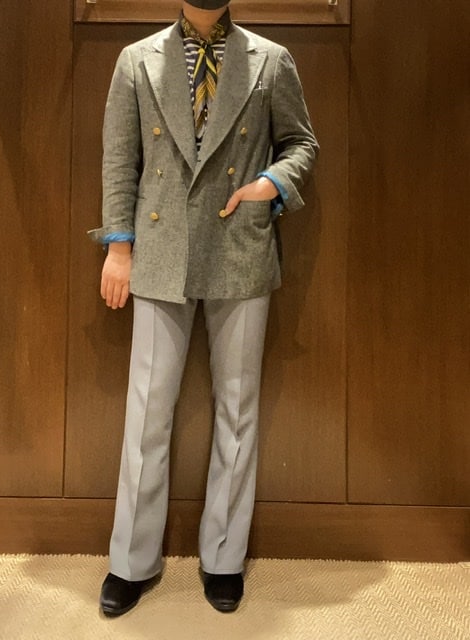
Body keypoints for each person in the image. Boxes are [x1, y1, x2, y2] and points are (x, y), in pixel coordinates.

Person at [88, 0, 318, 616]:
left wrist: (271, 184)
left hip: (238, 245)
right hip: (159, 248)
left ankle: (223, 557)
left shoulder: (271, 59)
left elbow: (301, 143)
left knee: (237, 408)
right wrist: (118, 247)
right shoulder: (136, 60)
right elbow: (120, 159)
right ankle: (131, 562)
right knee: (147, 411)